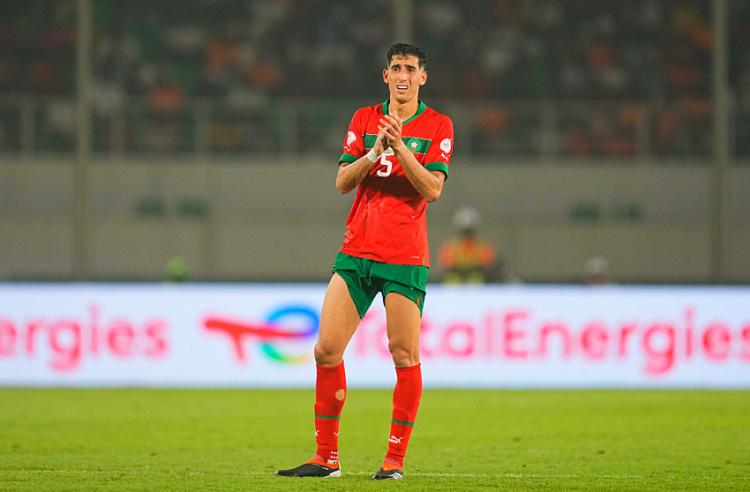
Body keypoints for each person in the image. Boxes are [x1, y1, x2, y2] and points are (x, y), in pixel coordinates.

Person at [276, 43, 453, 481]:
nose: (403, 75)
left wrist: (401, 147)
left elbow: (432, 189)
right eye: (396, 68)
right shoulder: (363, 119)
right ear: (385, 75)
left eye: (410, 68)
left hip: (404, 255)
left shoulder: (437, 125)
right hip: (357, 250)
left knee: (403, 353)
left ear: (423, 77)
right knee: (325, 349)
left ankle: (393, 462)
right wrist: (374, 152)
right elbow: (342, 182)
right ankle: (326, 458)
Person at [438, 205, 499, 284]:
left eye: (469, 232)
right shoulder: (451, 246)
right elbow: (446, 265)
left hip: (476, 279)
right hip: (456, 279)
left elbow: (487, 264)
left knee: (476, 279)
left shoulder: (482, 246)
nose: (467, 236)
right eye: (465, 232)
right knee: (451, 280)